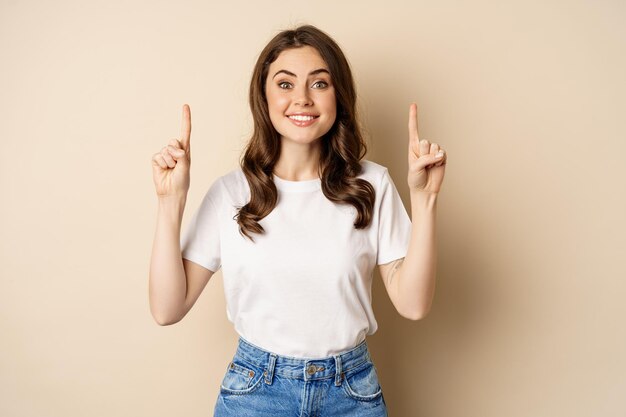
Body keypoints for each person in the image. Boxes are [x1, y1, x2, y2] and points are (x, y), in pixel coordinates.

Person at [149, 24, 446, 417]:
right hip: (255, 392)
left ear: (338, 94)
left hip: (351, 393)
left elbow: (413, 304)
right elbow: (166, 309)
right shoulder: (231, 194)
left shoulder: (371, 184)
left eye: (319, 83)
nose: (302, 99)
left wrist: (425, 200)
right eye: (285, 84)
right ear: (264, 96)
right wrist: (171, 201)